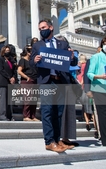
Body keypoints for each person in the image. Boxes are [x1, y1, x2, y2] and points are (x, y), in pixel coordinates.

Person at [30, 19, 77, 153]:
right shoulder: (37, 45)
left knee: (59, 112)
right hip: (47, 82)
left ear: (51, 27)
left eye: (43, 27)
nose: (41, 30)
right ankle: (49, 141)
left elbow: (72, 61)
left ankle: (57, 140)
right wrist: (34, 60)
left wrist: (73, 56)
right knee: (47, 110)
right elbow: (31, 63)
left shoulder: (62, 43)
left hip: (60, 81)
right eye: (40, 29)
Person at [55, 35, 79, 147]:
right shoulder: (53, 52)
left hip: (67, 82)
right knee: (59, 112)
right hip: (57, 84)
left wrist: (72, 57)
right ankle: (57, 137)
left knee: (69, 111)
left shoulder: (68, 52)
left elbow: (74, 63)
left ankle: (66, 137)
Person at [0, 45, 18, 121]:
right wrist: (9, 78)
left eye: (8, 51)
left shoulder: (11, 60)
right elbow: (1, 70)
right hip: (3, 81)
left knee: (10, 100)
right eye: (6, 51)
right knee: (3, 100)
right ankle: (2, 115)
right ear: (3, 51)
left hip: (11, 82)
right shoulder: (1, 59)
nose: (7, 52)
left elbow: (15, 70)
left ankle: (10, 115)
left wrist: (14, 78)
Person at [17, 45, 38, 121]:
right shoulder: (23, 60)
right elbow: (19, 71)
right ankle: (26, 115)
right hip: (27, 81)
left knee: (34, 99)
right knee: (27, 98)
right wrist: (27, 77)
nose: (31, 52)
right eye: (29, 50)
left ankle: (33, 115)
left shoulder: (32, 61)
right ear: (26, 51)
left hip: (34, 80)